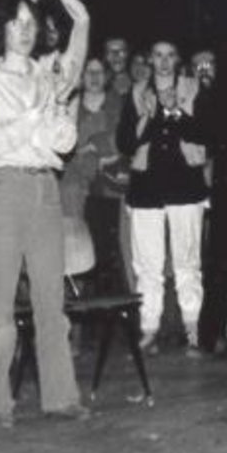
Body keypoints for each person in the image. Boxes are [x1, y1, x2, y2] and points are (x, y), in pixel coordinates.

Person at [0, 0, 90, 427]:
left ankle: (60, 397)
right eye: (16, 21)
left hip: (45, 190)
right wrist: (40, 110)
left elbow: (65, 144)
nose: (25, 29)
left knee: (51, 302)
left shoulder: (47, 75)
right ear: (2, 27)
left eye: (31, 22)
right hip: (3, 190)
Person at [118, 38, 209, 355]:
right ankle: (149, 330)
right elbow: (126, 143)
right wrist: (147, 115)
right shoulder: (136, 92)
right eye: (158, 55)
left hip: (186, 186)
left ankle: (193, 329)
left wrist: (175, 111)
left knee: (187, 262)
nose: (165, 62)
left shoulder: (194, 88)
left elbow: (206, 133)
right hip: (146, 188)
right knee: (148, 265)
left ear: (178, 58)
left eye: (171, 55)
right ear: (150, 60)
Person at [61, 56, 128, 295]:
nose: (94, 77)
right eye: (89, 71)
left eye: (99, 72)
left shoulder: (117, 103)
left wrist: (93, 144)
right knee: (74, 248)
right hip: (74, 184)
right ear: (80, 76)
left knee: (110, 254)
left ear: (107, 76)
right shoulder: (69, 105)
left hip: (108, 187)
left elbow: (125, 139)